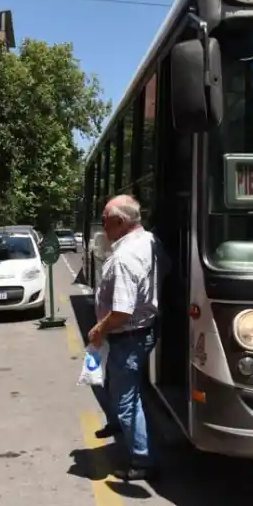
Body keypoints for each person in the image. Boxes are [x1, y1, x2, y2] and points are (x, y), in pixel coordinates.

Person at [88, 194, 167, 482]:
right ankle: (120, 427)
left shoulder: (124, 257)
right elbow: (166, 270)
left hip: (127, 336)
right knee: (115, 385)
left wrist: (99, 329)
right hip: (141, 331)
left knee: (126, 401)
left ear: (120, 222)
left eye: (105, 220)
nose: (102, 226)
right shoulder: (150, 240)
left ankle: (142, 460)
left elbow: (121, 312)